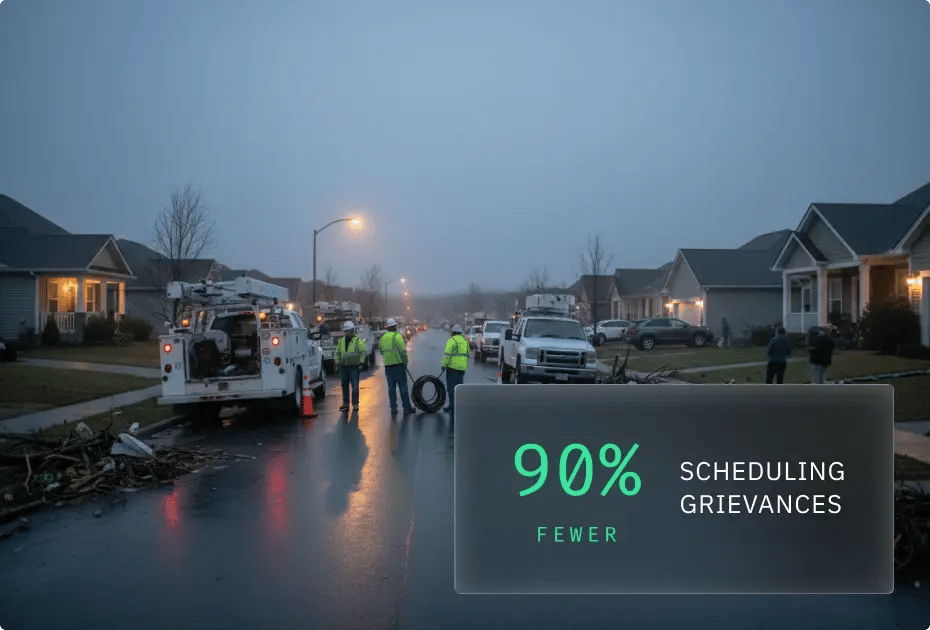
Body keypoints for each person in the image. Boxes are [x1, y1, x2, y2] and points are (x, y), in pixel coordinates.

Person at [379, 318, 414, 416]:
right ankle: (406, 408)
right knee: (403, 388)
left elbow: (381, 350)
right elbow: (403, 352)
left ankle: (393, 408)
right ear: (394, 327)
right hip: (399, 366)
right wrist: (405, 362)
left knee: (391, 389)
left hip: (388, 367)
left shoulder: (383, 338)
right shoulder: (397, 336)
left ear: (387, 328)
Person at [335, 321, 366, 411]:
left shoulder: (357, 341)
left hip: (353, 367)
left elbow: (362, 352)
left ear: (352, 331)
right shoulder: (341, 341)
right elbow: (337, 353)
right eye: (345, 331)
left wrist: (361, 362)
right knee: (344, 386)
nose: (346, 333)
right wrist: (337, 362)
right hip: (344, 366)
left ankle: (355, 404)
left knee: (354, 387)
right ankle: (345, 404)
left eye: (348, 331)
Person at [441, 324, 469, 419]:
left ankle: (452, 406)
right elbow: (467, 354)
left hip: (452, 367)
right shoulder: (465, 341)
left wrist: (443, 365)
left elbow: (447, 355)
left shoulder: (452, 340)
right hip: (462, 368)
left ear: (453, 332)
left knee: (451, 388)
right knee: (459, 388)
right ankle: (458, 406)